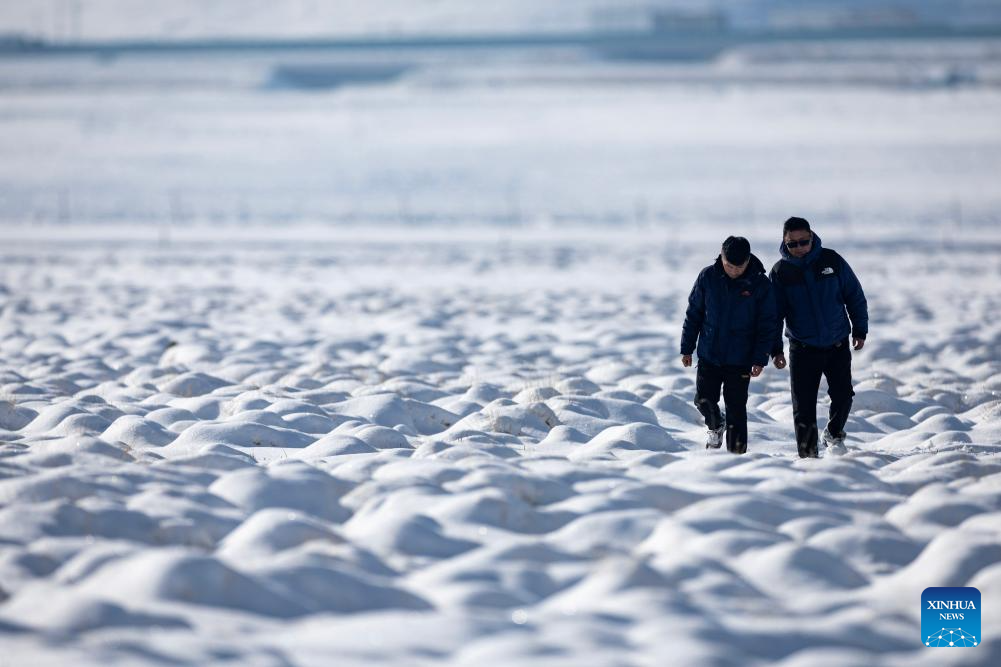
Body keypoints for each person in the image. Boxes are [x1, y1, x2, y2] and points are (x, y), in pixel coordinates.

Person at [769, 217, 868, 458]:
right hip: (802, 348)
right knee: (803, 408)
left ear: (812, 237)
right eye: (793, 244)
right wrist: (775, 350)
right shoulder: (780, 273)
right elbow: (772, 316)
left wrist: (860, 329)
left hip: (836, 344)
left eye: (804, 241)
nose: (799, 247)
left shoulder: (831, 261)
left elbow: (854, 295)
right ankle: (808, 459)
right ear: (784, 243)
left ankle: (834, 433)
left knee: (844, 396)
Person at [681, 236, 777, 454]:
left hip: (740, 359)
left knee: (736, 409)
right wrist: (687, 347)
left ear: (748, 261)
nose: (734, 270)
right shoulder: (707, 276)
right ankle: (715, 425)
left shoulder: (760, 284)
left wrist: (760, 357)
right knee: (703, 400)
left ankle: (737, 456)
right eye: (729, 265)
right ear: (721, 257)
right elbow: (694, 313)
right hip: (709, 354)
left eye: (739, 266)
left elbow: (768, 324)